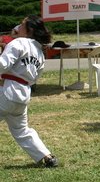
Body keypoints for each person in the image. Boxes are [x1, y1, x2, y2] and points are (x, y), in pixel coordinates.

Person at [0, 15, 58, 168]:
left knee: (21, 129)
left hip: (6, 90)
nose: (18, 26)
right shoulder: (39, 52)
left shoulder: (18, 43)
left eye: (22, 24)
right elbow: (35, 77)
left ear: (30, 29)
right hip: (23, 94)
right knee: (22, 130)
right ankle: (46, 156)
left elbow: (2, 64)